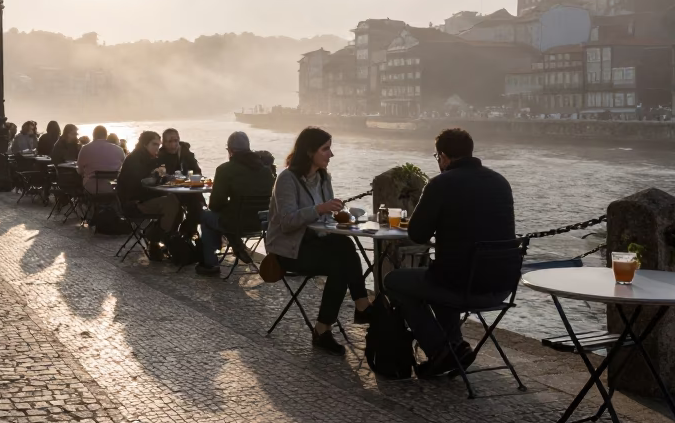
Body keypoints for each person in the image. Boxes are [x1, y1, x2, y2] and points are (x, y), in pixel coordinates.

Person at [383, 128, 515, 376]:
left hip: (463, 286)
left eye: (437, 157)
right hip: (503, 285)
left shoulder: (441, 183)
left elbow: (418, 234)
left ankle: (440, 350)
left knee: (396, 282)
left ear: (443, 156)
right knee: (440, 274)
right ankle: (455, 347)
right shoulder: (500, 181)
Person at [266, 127, 372, 356]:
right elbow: (286, 222)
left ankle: (345, 315)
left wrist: (337, 216)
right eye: (326, 149)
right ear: (309, 151)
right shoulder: (286, 179)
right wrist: (320, 208)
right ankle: (340, 319)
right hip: (289, 250)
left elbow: (323, 219)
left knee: (345, 246)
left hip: (317, 242)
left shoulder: (324, 178)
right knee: (340, 264)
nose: (330, 154)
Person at [199, 131, 275, 275]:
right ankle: (234, 243)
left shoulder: (224, 170)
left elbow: (215, 204)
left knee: (205, 215)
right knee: (222, 217)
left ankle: (210, 263)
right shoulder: (266, 171)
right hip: (261, 224)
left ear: (230, 151)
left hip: (236, 224)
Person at [116, 131, 182, 261]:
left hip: (144, 199)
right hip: (133, 203)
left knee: (176, 205)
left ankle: (165, 239)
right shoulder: (135, 159)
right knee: (172, 204)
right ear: (145, 144)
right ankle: (155, 239)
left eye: (159, 144)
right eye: (154, 144)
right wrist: (156, 175)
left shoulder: (150, 159)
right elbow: (139, 184)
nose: (157, 147)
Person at [158, 127, 203, 234]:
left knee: (197, 208)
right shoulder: (160, 156)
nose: (173, 144)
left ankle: (185, 234)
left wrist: (190, 176)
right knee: (175, 211)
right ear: (163, 143)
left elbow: (197, 172)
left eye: (176, 141)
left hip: (188, 190)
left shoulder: (185, 153)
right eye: (170, 141)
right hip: (168, 192)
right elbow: (159, 176)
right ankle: (168, 237)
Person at [77, 125, 126, 195]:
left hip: (91, 189)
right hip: (113, 188)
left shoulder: (85, 149)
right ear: (106, 136)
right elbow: (125, 168)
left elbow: (80, 171)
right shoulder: (119, 149)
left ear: (93, 135)